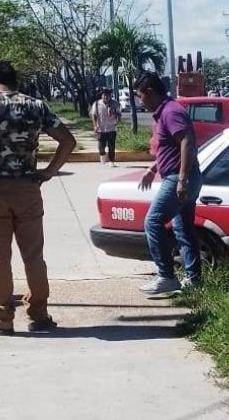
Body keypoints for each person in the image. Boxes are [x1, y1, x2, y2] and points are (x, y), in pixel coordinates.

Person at [0, 61, 76, 335]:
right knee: (33, 256)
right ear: (15, 82)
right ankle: (39, 315)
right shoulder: (35, 105)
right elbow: (68, 141)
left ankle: (0, 318)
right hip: (28, 188)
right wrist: (49, 172)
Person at [135, 72, 203, 295]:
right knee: (183, 229)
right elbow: (170, 149)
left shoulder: (171, 112)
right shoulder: (165, 111)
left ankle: (166, 276)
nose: (139, 101)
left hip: (179, 178)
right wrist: (152, 169)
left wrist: (182, 179)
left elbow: (186, 142)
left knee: (152, 222)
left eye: (140, 96)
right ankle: (193, 280)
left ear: (150, 92)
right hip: (181, 177)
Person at [91, 87, 121, 167]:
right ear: (101, 96)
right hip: (101, 128)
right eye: (104, 95)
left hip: (111, 128)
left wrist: (114, 113)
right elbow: (94, 115)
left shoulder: (115, 103)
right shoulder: (97, 104)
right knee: (101, 146)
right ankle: (103, 155)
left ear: (110, 96)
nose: (106, 97)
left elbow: (119, 115)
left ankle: (111, 161)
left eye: (107, 95)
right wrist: (95, 126)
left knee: (111, 146)